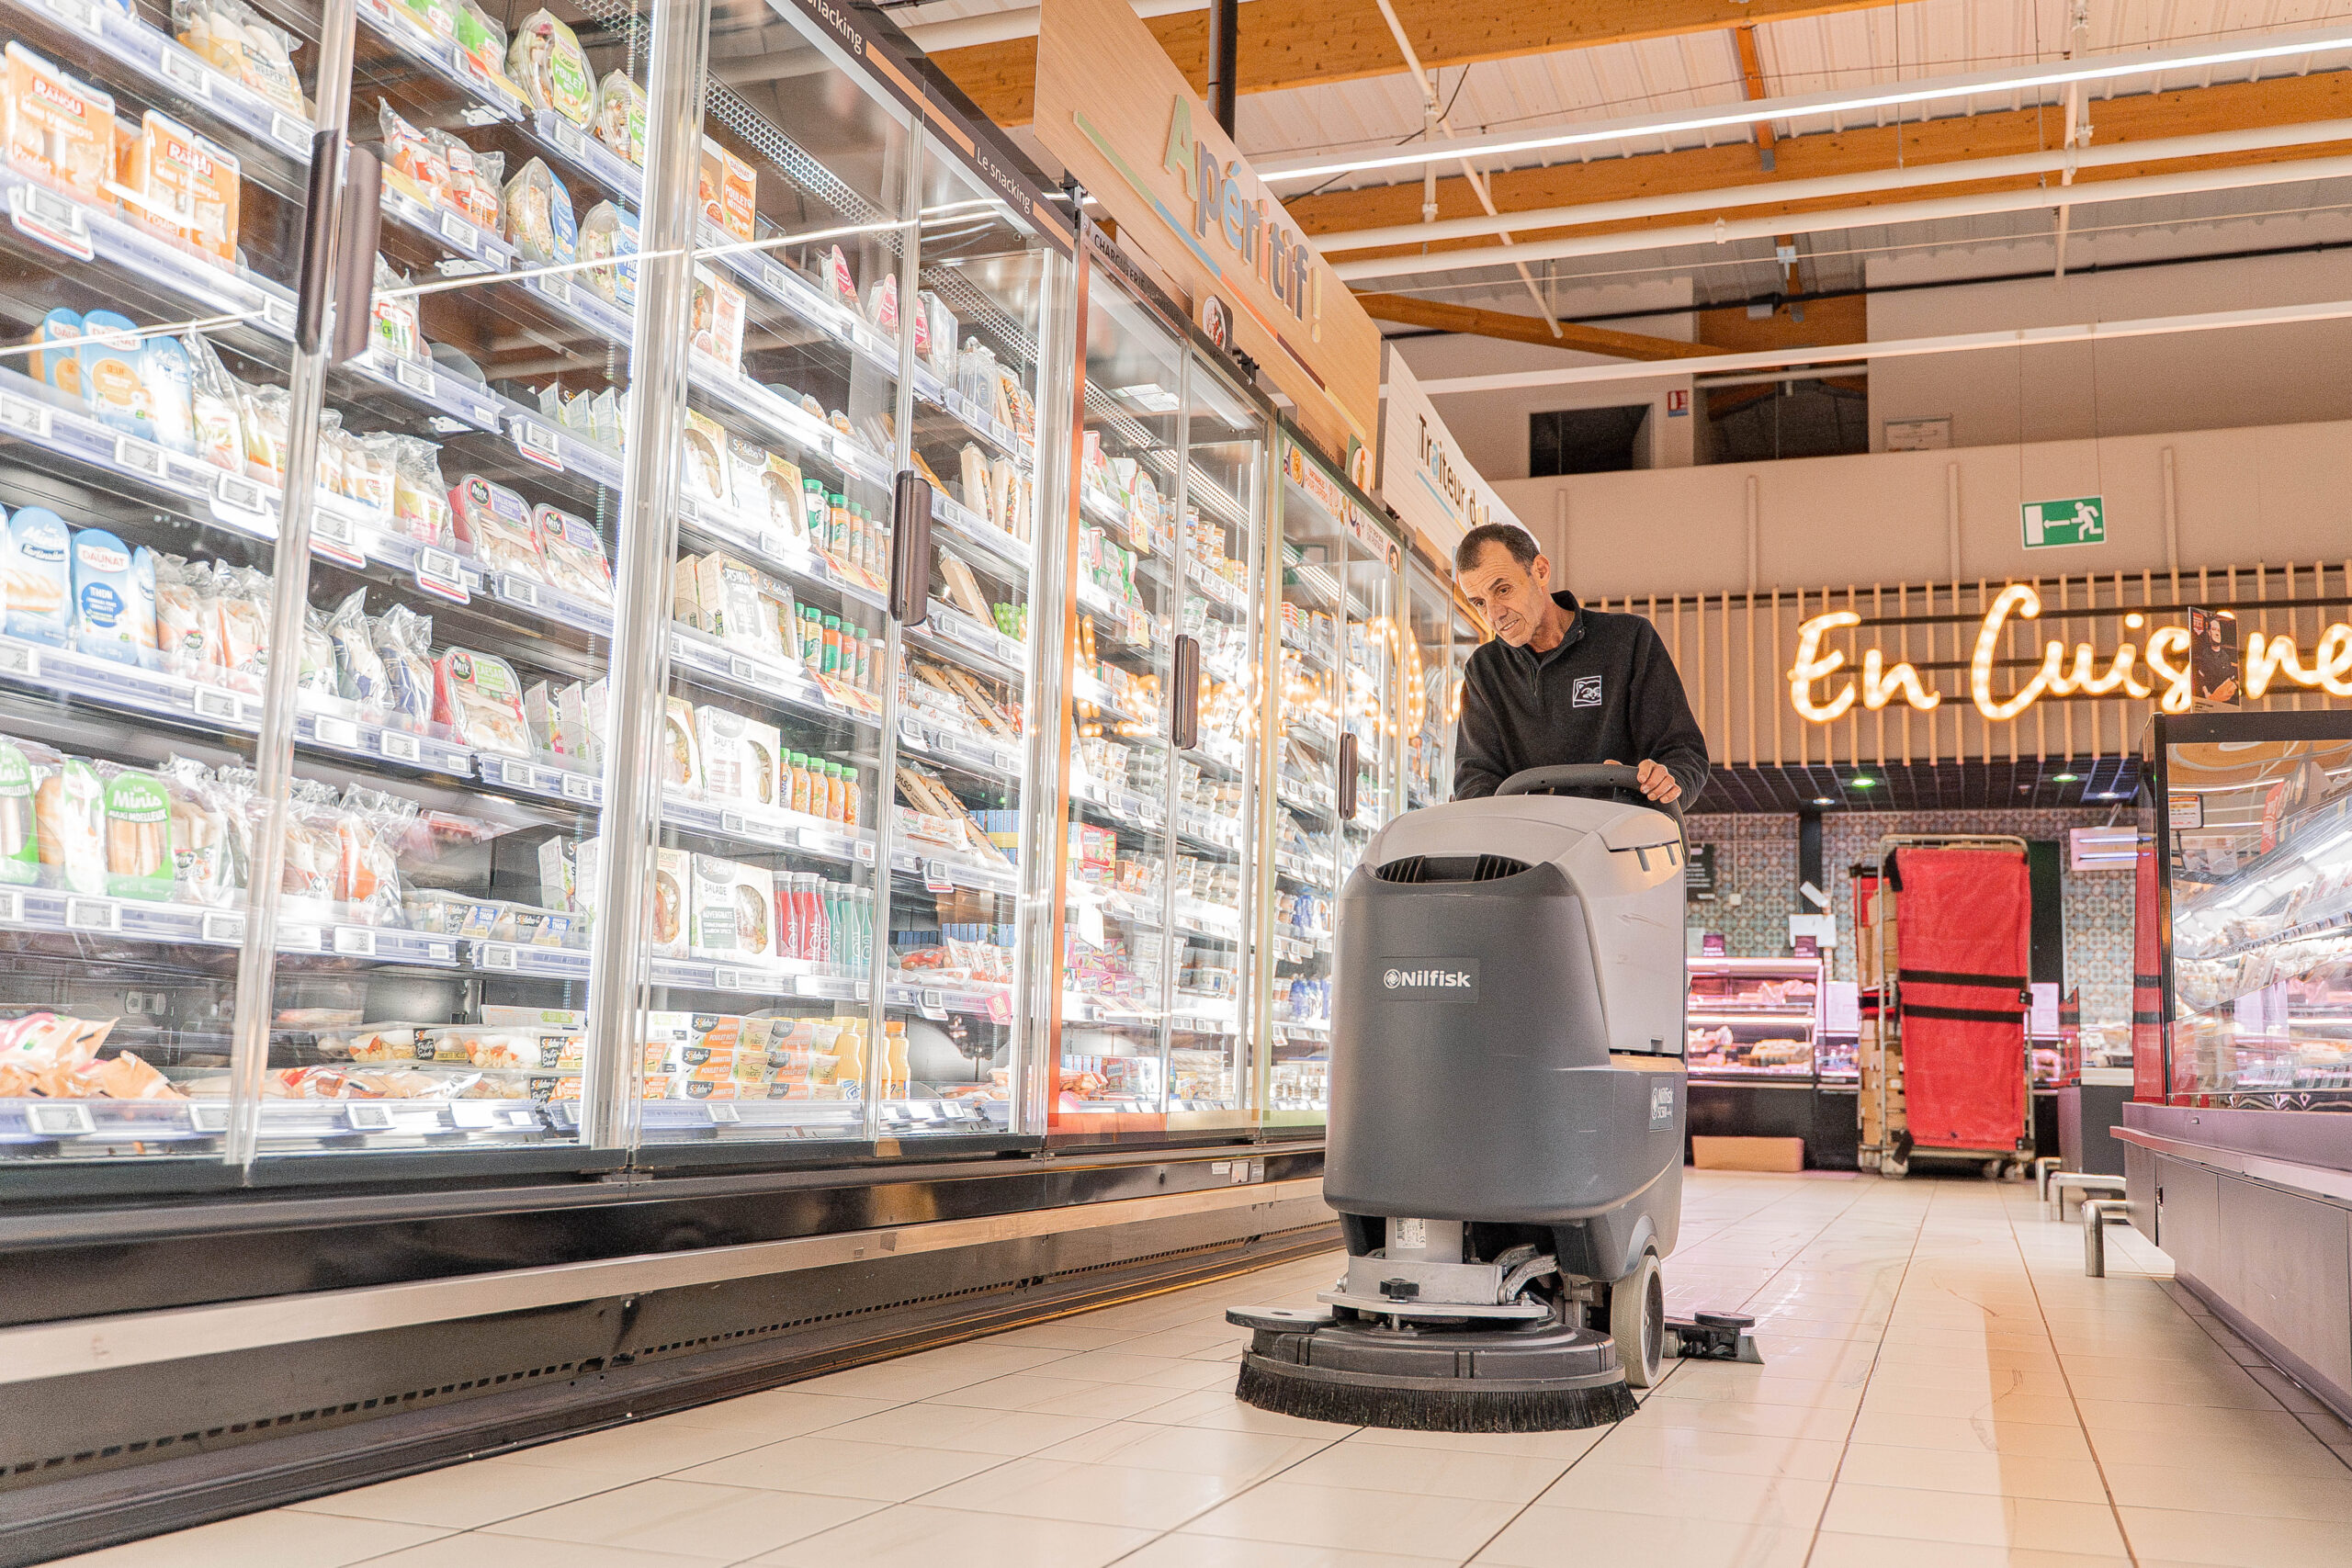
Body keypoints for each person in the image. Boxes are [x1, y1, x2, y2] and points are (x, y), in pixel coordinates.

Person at [1451, 523, 1708, 806]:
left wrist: (1662, 785)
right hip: (1527, 833)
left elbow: (1683, 753)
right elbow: (1474, 779)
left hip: (1619, 828)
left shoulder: (1627, 640)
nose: (1494, 614)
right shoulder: (1484, 670)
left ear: (1540, 571)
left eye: (1503, 590)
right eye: (1479, 603)